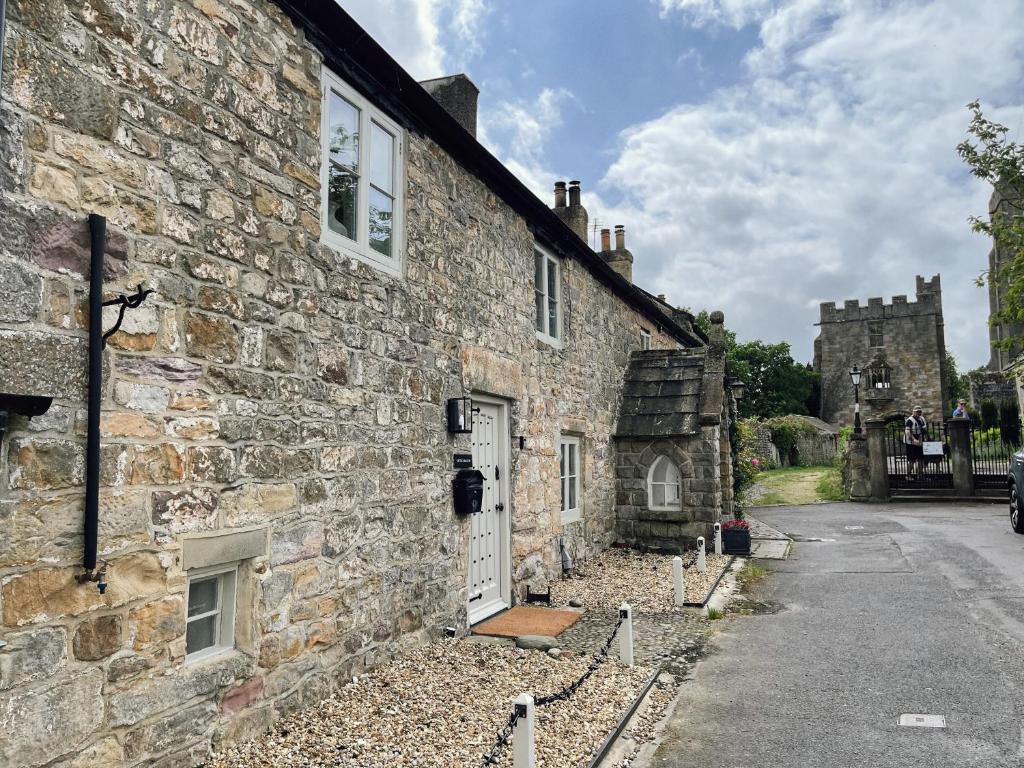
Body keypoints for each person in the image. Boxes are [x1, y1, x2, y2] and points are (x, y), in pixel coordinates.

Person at [904, 406, 928, 479]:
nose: (919, 413)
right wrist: (914, 439)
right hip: (910, 442)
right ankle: (908, 475)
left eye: (920, 411)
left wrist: (922, 440)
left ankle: (920, 475)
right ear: (913, 412)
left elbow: (923, 430)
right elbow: (908, 431)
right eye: (917, 411)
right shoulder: (909, 420)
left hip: (919, 439)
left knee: (921, 459)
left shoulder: (922, 419)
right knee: (912, 459)